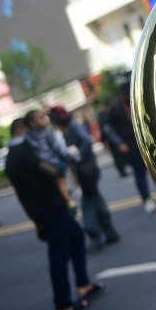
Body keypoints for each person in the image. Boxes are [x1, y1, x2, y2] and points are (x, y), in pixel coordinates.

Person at [5, 118, 104, 310]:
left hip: (43, 207)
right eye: (39, 119)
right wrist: (60, 164)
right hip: (49, 207)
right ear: (23, 129)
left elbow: (20, 194)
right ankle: (63, 304)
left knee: (76, 236)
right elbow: (51, 169)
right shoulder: (24, 151)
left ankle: (83, 284)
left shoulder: (11, 157)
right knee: (58, 254)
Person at [49, 106, 120, 251]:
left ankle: (95, 235)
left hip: (86, 169)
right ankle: (109, 232)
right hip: (85, 169)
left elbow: (87, 141)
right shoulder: (68, 128)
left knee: (88, 203)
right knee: (96, 200)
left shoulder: (72, 127)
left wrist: (78, 156)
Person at [101, 76, 156, 214]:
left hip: (146, 141)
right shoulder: (115, 110)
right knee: (139, 173)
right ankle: (147, 199)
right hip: (130, 145)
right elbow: (109, 129)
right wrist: (119, 143)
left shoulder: (139, 102)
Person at [24, 110, 78, 214]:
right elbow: (57, 146)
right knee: (61, 180)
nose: (45, 119)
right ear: (33, 123)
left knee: (58, 183)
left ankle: (66, 195)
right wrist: (67, 156)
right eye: (41, 118)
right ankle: (69, 201)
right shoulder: (49, 131)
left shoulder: (28, 136)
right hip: (55, 161)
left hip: (44, 164)